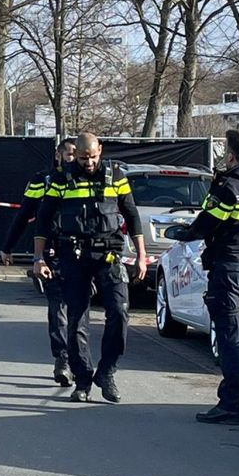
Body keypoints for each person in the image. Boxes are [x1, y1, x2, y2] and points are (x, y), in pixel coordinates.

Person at [169, 129, 239, 425]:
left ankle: (229, 403)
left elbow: (205, 224)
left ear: (230, 155)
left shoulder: (228, 188)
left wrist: (183, 234)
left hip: (229, 269)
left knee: (230, 339)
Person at [33, 133, 148, 403]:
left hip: (108, 255)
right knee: (76, 320)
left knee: (119, 312)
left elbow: (131, 215)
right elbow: (44, 219)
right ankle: (82, 379)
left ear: (100, 151)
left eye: (93, 157)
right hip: (73, 255)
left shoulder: (116, 176)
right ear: (77, 154)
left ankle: (107, 373)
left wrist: (142, 255)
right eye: (83, 158)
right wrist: (39, 258)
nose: (88, 163)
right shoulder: (61, 178)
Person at [1, 138, 76, 386]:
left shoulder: (87, 179)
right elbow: (25, 214)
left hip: (83, 254)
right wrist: (8, 246)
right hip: (53, 251)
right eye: (70, 154)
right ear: (58, 155)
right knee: (58, 308)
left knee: (80, 311)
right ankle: (62, 360)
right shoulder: (41, 180)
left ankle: (80, 362)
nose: (74, 159)